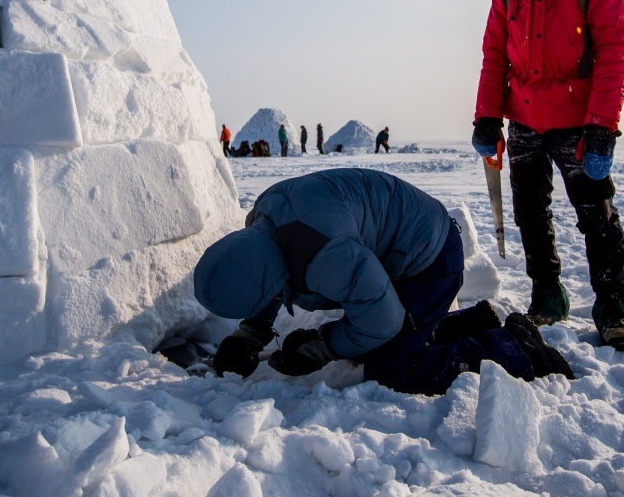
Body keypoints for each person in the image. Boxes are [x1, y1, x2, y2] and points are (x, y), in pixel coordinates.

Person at [193, 168, 573, 395]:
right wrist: (251, 333)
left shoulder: (325, 253)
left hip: (430, 257)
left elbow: (382, 319)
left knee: (393, 368)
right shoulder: (265, 219)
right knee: (372, 341)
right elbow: (265, 272)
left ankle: (516, 346)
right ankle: (474, 323)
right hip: (398, 247)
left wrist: (324, 347)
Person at [472, 0, 624, 352]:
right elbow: (494, 52)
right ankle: (547, 295)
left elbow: (615, 50)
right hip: (524, 117)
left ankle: (613, 309)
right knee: (529, 211)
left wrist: (603, 126)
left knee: (596, 214)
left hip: (578, 120)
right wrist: (487, 117)